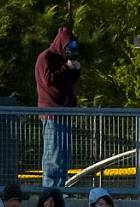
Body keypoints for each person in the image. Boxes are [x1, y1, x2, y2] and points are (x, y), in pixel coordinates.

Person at [35, 26, 80, 187]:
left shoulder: (63, 60)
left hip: (66, 114)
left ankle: (60, 188)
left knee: (63, 155)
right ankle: (50, 190)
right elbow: (48, 79)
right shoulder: (45, 57)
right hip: (52, 114)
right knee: (53, 155)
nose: (70, 50)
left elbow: (69, 82)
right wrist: (65, 67)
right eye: (68, 46)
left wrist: (74, 69)